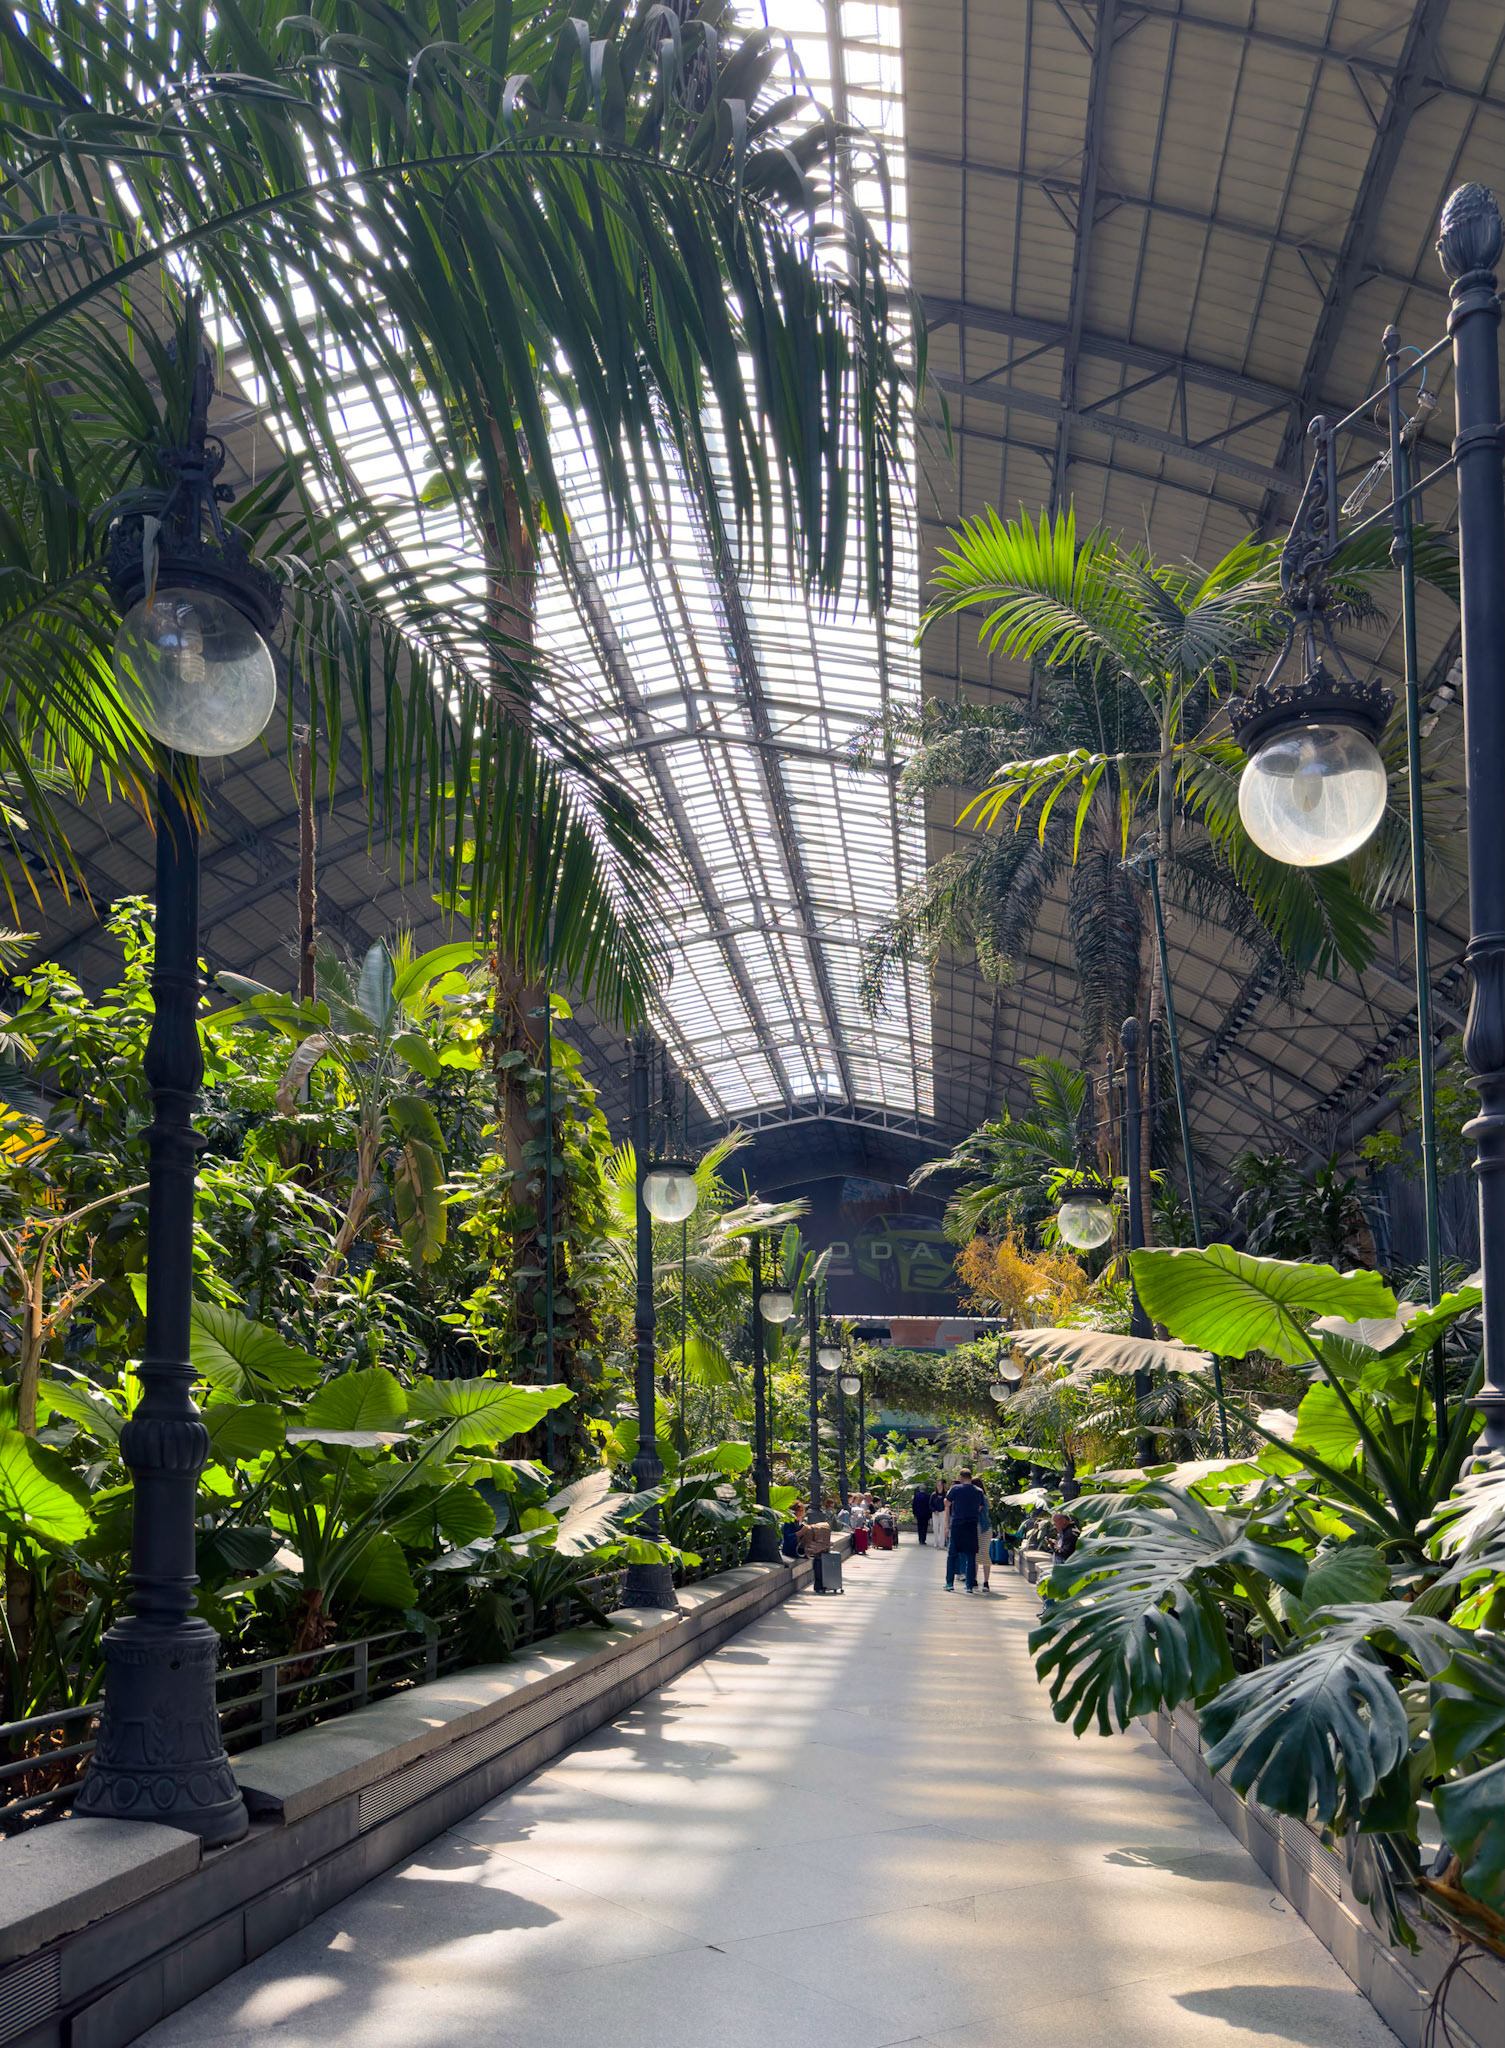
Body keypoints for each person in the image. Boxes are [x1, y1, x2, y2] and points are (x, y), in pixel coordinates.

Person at [943, 1467, 987, 1592]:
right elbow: (980, 1508)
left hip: (957, 1524)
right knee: (971, 1556)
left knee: (952, 1554)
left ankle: (949, 1583)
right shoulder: (978, 1491)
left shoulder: (956, 1489)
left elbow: (947, 1502)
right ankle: (969, 1586)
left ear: (961, 1477)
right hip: (972, 1525)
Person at [977, 1487, 993, 1593]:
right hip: (983, 1527)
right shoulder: (984, 1498)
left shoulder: (981, 1498)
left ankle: (985, 1581)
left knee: (982, 1554)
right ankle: (982, 1581)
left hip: (982, 1527)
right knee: (977, 1554)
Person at [912, 1480, 933, 1545]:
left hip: (918, 1513)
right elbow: (930, 1505)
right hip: (926, 1513)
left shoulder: (916, 1495)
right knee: (924, 1526)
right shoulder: (928, 1496)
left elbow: (914, 1504)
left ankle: (920, 1538)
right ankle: (923, 1539)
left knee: (919, 1526)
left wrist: (914, 1512)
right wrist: (930, 1514)